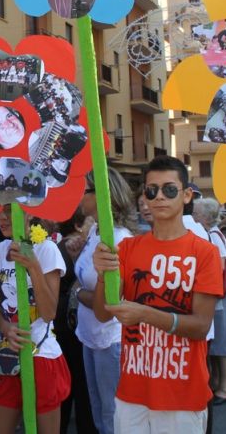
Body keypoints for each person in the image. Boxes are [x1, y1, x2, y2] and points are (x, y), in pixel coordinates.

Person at [91, 155, 223, 433]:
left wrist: (145, 314)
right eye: (151, 190)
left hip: (182, 395)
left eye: (169, 189)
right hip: (132, 392)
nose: (159, 197)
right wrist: (103, 274)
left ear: (187, 195)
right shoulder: (127, 248)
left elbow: (201, 326)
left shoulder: (205, 252)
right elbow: (103, 314)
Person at [0, 205, 69, 434]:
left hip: (41, 356)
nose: (1, 217)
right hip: (9, 356)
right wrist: (5, 326)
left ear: (29, 211)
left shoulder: (47, 248)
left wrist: (32, 265)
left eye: (8, 210)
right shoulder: (1, 249)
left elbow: (49, 312)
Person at [73, 168, 136, 434]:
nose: (77, 195)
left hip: (110, 340)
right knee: (98, 410)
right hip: (90, 335)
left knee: (113, 416)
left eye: (83, 190)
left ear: (100, 194)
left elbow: (110, 304)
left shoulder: (119, 239)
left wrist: (78, 294)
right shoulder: (96, 232)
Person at [55, 209, 98, 434]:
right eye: (92, 221)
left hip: (65, 322)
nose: (96, 225)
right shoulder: (73, 246)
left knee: (69, 383)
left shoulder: (63, 246)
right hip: (72, 322)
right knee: (81, 383)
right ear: (79, 225)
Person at [193, 198, 226, 407]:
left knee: (224, 344)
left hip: (223, 299)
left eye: (196, 214)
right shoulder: (214, 234)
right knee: (218, 345)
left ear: (205, 217)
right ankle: (219, 384)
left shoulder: (213, 236)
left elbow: (219, 268)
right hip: (222, 299)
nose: (194, 217)